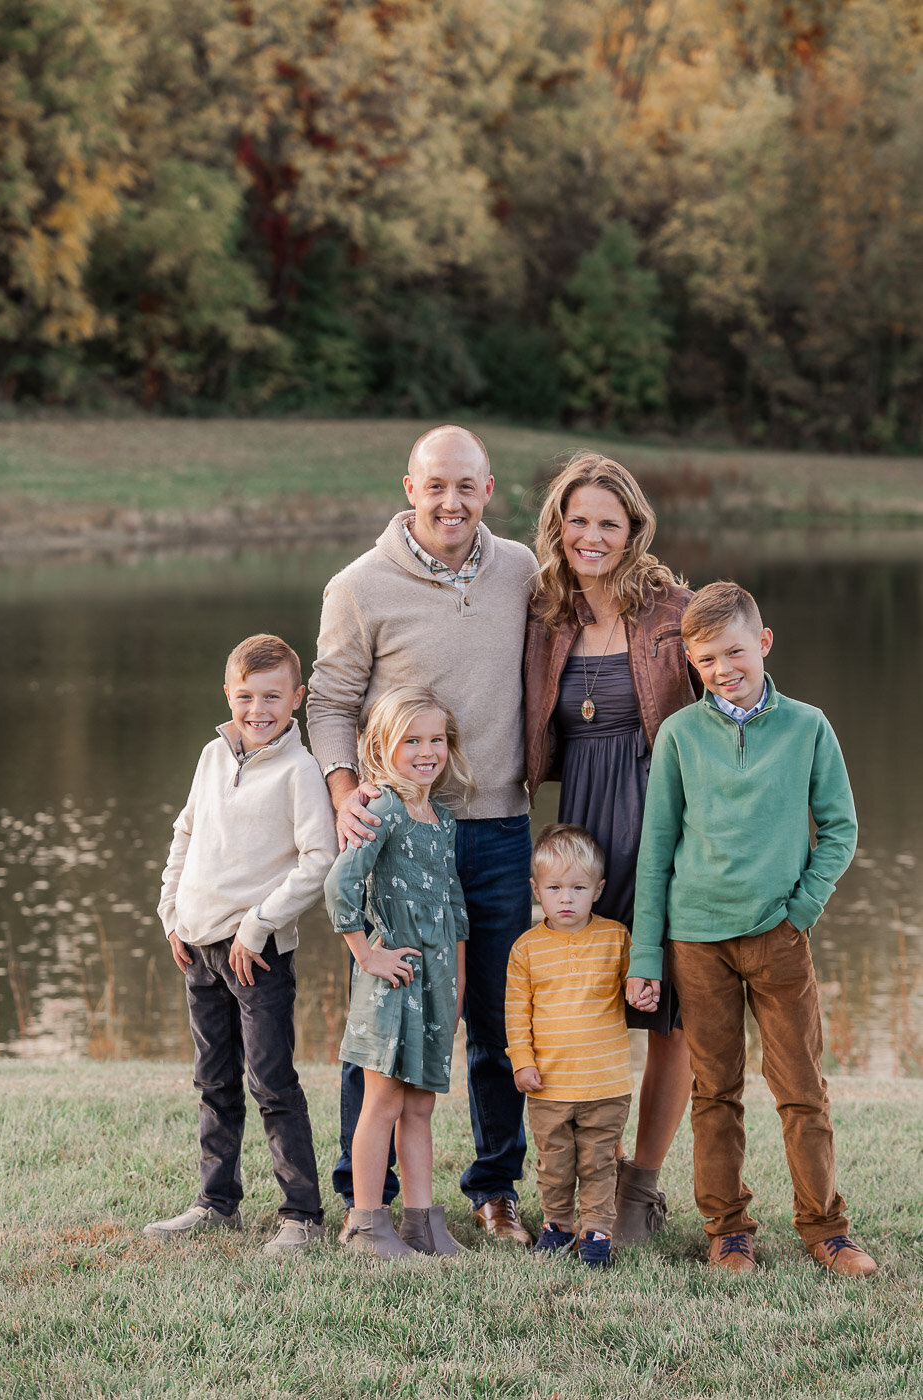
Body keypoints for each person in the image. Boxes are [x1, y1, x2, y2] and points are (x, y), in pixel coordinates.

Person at [307, 424, 537, 1246]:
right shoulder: (359, 585)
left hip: (499, 829)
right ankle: (360, 1198)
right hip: (399, 834)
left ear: (487, 488)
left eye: (465, 486)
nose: (451, 501)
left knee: (491, 1018)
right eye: (434, 485)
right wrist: (345, 796)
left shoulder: (519, 569)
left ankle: (493, 1189)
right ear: (409, 487)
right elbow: (328, 702)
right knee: (381, 1013)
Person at [626, 581, 877, 1277]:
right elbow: (655, 851)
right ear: (692, 664)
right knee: (714, 1091)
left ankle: (825, 1229)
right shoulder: (679, 735)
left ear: (761, 644)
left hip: (777, 938)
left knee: (800, 1088)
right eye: (704, 660)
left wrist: (800, 911)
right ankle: (727, 1229)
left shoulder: (807, 727)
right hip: (695, 939)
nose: (721, 670)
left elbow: (840, 829)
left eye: (733, 652)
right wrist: (647, 952)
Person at [524, 452, 698, 1244]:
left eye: (608, 523)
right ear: (558, 526)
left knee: (671, 1017)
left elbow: (736, 702)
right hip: (584, 831)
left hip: (665, 824)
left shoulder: (673, 610)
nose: (591, 536)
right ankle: (592, 1179)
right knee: (590, 1008)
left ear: (632, 531)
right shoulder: (545, 615)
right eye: (578, 520)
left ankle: (641, 1189)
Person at [146, 634, 337, 1256]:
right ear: (228, 695)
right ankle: (215, 1202)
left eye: (274, 697)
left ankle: (301, 1215)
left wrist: (257, 926)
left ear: (297, 700)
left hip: (255, 954)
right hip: (198, 947)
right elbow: (185, 831)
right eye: (247, 696)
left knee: (272, 1081)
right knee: (215, 1080)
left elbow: (319, 859)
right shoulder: (211, 755)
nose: (259, 709)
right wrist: (171, 913)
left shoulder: (300, 771)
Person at [324, 686, 472, 1258]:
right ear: (383, 747)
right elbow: (341, 884)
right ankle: (366, 1223)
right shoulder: (381, 807)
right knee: (382, 1100)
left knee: (420, 1104)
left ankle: (421, 1222)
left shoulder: (441, 819)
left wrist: (455, 985)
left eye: (436, 739)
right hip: (391, 979)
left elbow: (454, 907)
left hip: (434, 982)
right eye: (411, 740)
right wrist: (367, 955)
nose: (427, 751)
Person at [505, 824, 631, 1270]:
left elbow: (631, 991)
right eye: (554, 887)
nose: (566, 898)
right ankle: (557, 1225)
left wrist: (642, 992)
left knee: (599, 1164)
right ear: (535, 889)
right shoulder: (525, 949)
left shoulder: (616, 939)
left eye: (578, 888)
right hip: (549, 1086)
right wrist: (522, 1063)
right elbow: (517, 1016)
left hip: (605, 1082)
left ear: (597, 890)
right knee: (555, 1164)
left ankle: (596, 1233)